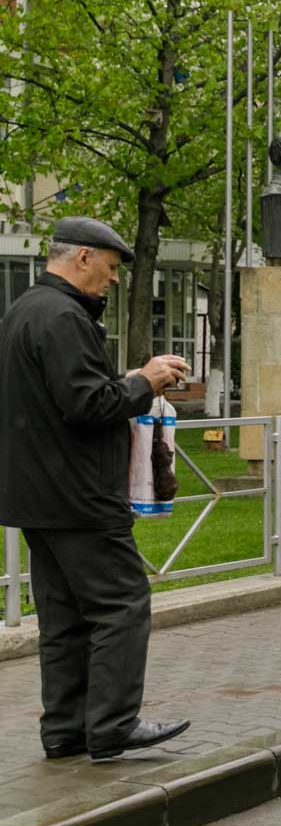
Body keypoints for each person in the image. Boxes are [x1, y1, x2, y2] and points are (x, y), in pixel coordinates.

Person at [0, 218, 192, 761]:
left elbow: (59, 396)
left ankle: (65, 729)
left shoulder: (26, 309)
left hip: (36, 496)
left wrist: (126, 380)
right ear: (82, 258)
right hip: (80, 496)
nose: (112, 281)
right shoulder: (63, 316)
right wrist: (145, 381)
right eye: (109, 270)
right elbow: (86, 406)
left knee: (64, 619)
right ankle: (112, 724)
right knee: (122, 605)